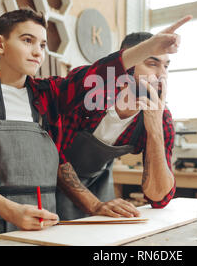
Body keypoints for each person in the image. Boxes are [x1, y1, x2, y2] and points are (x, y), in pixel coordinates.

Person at [0, 8, 191, 243]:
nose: (37, 52)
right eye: (27, 40)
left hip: (43, 224)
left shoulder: (48, 95)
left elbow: (94, 75)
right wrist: (10, 211)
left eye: (42, 45)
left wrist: (151, 48)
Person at [55, 31, 178, 220]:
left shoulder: (161, 116)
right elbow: (54, 154)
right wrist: (93, 204)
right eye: (152, 64)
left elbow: (159, 197)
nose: (162, 75)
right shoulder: (90, 90)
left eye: (166, 66)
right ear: (126, 62)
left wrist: (155, 129)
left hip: (99, 183)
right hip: (51, 184)